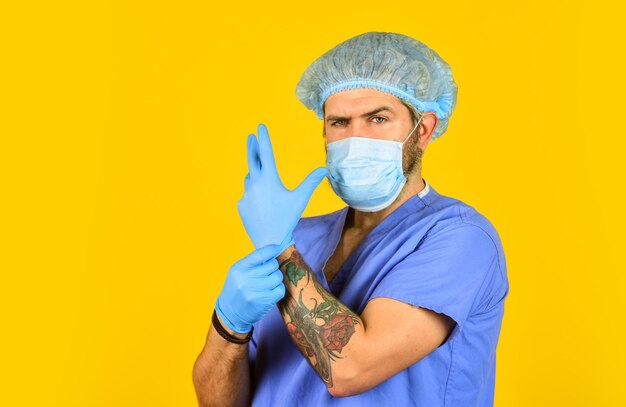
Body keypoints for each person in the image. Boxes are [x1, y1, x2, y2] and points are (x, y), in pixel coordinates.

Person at [193, 32, 509, 406]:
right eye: (339, 122)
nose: (356, 138)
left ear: (422, 130)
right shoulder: (300, 237)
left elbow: (349, 369)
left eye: (378, 118)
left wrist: (279, 249)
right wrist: (229, 325)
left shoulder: (459, 238)